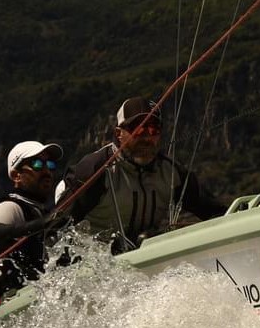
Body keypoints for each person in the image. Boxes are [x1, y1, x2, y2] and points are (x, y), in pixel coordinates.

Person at [60, 96, 223, 253]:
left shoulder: (172, 173)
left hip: (145, 257)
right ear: (119, 133)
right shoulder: (96, 169)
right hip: (93, 261)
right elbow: (58, 225)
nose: (147, 137)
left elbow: (215, 212)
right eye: (139, 129)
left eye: (154, 129)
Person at [0, 140, 63, 304]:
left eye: (50, 165)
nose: (47, 171)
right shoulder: (9, 208)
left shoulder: (43, 211)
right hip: (21, 303)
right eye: (37, 164)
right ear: (16, 175)